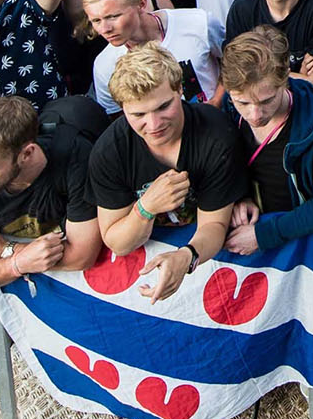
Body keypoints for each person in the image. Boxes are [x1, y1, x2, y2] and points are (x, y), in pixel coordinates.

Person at [91, 44, 246, 305]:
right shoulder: (110, 151)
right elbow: (117, 241)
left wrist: (186, 257)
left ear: (180, 90)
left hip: (208, 263)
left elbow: (214, 226)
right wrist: (145, 207)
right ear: (122, 109)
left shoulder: (216, 135)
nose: (153, 125)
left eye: (163, 107)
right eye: (138, 114)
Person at [218, 26, 313, 254]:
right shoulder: (229, 107)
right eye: (243, 103)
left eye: (266, 100)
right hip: (252, 228)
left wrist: (265, 235)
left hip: (300, 241)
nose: (255, 115)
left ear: (286, 78)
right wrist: (239, 196)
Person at [0, 96, 104, 293]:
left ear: (27, 154)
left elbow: (82, 256)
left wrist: (3, 250)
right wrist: (16, 264)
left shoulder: (75, 160)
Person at [82, 0, 220, 109]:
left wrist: (216, 101)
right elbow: (118, 118)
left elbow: (231, 64)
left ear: (141, 4)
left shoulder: (198, 22)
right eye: (96, 20)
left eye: (113, 16)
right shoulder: (104, 65)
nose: (105, 29)